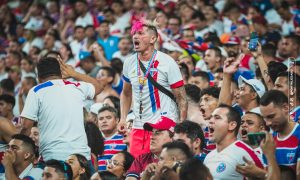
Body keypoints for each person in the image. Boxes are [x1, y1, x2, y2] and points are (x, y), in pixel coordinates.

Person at [120, 20, 187, 157]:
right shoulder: (129, 62)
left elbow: (182, 98)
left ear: (153, 38)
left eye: (140, 33)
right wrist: (122, 118)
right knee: (137, 171)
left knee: (161, 170)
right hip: (139, 127)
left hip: (164, 125)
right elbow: (126, 94)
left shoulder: (167, 62)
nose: (135, 37)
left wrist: (180, 127)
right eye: (134, 33)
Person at [20, 56, 103, 163]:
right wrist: (74, 73)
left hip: (53, 157)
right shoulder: (76, 86)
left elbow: (26, 127)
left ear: (38, 77)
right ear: (61, 73)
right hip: (81, 158)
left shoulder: (36, 90)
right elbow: (99, 87)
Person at [204, 104, 264, 179]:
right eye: (211, 118)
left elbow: (269, 177)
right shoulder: (209, 157)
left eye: (217, 118)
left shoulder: (245, 153)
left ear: (232, 125)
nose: (210, 121)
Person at [260, 90, 300, 179]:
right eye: (264, 118)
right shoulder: (269, 141)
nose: (268, 123)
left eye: (271, 116)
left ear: (286, 108)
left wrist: (270, 156)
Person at [97, 106, 127, 171]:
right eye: (101, 119)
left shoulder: (125, 138)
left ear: (117, 120)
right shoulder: (95, 140)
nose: (104, 121)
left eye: (108, 118)